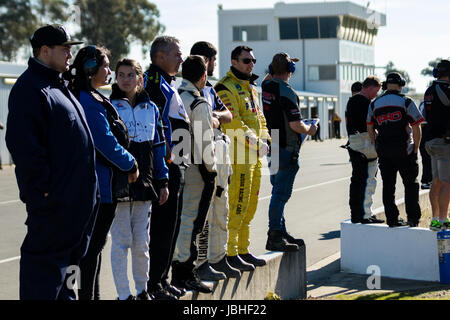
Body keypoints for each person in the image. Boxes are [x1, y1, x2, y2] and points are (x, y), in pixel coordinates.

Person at [5, 24, 99, 300]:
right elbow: (24, 149)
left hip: (76, 211)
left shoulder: (58, 85)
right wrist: (44, 195)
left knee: (68, 282)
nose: (71, 54)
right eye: (65, 49)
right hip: (55, 210)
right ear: (45, 51)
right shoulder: (30, 89)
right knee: (43, 282)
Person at [65, 45, 139, 300]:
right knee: (88, 252)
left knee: (89, 252)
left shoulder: (87, 95)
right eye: (105, 65)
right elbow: (104, 141)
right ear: (90, 69)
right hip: (97, 188)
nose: (109, 70)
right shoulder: (87, 99)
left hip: (94, 187)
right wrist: (131, 164)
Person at [109, 59, 169, 300]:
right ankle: (124, 295)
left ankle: (142, 290)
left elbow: (159, 146)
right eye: (121, 75)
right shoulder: (109, 106)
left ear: (140, 79)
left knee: (142, 243)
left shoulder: (152, 108)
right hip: (119, 182)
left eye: (131, 75)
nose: (125, 79)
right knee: (121, 242)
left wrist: (162, 181)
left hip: (145, 182)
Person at [215, 45, 271, 271]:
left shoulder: (252, 88)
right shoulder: (225, 88)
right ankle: (229, 253)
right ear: (234, 62)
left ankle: (243, 250)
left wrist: (265, 140)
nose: (251, 64)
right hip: (238, 158)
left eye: (253, 60)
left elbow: (261, 120)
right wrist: (256, 143)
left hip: (255, 158)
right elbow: (233, 123)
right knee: (236, 207)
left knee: (250, 208)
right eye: (246, 60)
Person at [189, 41, 240, 280]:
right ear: (205, 61)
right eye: (213, 60)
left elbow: (227, 115)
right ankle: (200, 262)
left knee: (222, 208)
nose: (214, 65)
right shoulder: (185, 90)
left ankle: (219, 258)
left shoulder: (210, 88)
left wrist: (214, 116)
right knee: (204, 213)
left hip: (220, 152)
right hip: (201, 154)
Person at [143, 36, 189, 300]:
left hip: (177, 165)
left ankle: (162, 279)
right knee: (162, 229)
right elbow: (156, 128)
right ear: (160, 57)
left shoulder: (169, 84)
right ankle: (153, 284)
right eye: (176, 54)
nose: (181, 59)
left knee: (172, 227)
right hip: (166, 167)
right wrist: (166, 163)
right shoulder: (153, 84)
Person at [170, 55, 220, 293]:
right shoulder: (199, 102)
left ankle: (175, 269)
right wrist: (212, 171)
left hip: (176, 165)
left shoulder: (174, 94)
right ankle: (184, 273)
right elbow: (204, 141)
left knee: (180, 220)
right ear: (203, 77)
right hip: (196, 169)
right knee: (192, 222)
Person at [262, 53, 318, 252]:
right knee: (281, 194)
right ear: (291, 71)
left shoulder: (266, 87)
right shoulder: (287, 92)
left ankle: (281, 231)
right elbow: (296, 124)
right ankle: (274, 233)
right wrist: (310, 129)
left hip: (273, 143)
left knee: (277, 191)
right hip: (287, 147)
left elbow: (268, 77)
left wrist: (277, 65)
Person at [367, 72, 424, 228]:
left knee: (388, 187)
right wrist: (416, 148)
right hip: (405, 150)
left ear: (386, 85)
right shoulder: (406, 101)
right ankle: (412, 219)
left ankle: (392, 220)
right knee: (411, 186)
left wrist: (375, 144)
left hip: (384, 151)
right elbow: (417, 126)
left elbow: (370, 127)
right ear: (401, 85)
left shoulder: (374, 104)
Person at [345, 76, 384, 224]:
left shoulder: (352, 101)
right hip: (364, 144)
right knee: (368, 180)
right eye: (376, 90)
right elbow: (370, 125)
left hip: (354, 143)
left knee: (357, 180)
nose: (376, 94)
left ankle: (356, 214)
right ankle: (366, 214)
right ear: (370, 87)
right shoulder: (364, 102)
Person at [423, 59, 450, 231]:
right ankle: (442, 220)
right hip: (444, 142)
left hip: (431, 141)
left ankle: (435, 219)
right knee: (448, 183)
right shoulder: (446, 90)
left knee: (437, 181)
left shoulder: (429, 90)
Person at [418, 101, 432, 190]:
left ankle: (427, 180)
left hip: (425, 135)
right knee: (427, 159)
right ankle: (427, 180)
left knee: (426, 159)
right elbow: (422, 122)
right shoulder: (424, 104)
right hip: (427, 134)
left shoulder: (423, 103)